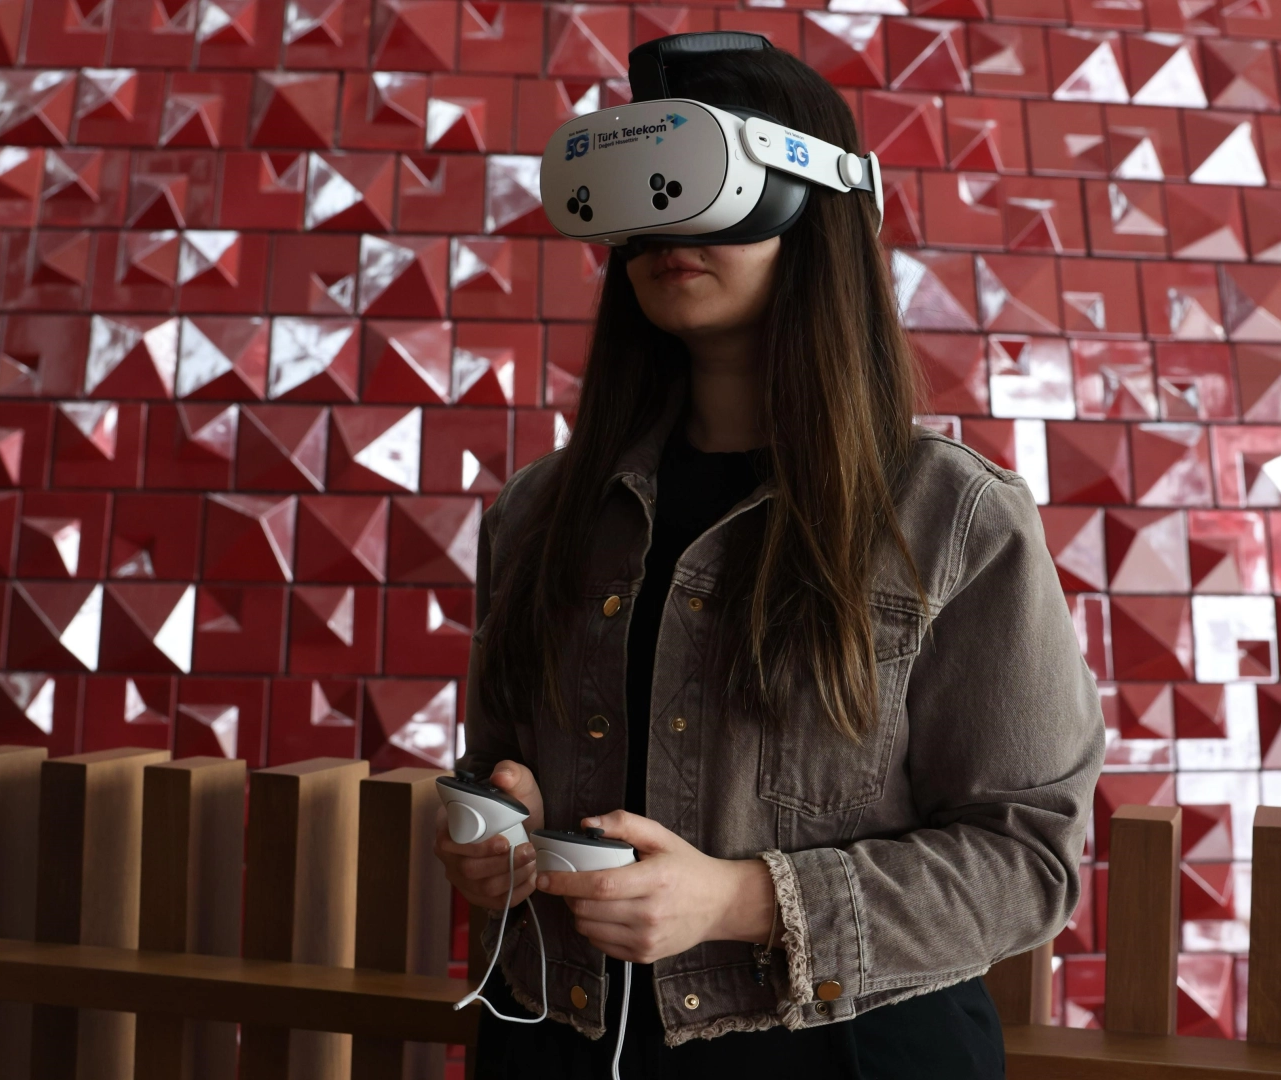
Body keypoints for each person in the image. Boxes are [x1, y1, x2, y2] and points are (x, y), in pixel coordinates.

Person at [434, 36, 1105, 1079]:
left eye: (705, 186)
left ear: (816, 202)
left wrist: (740, 900)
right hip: (557, 1044)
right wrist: (497, 823)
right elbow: (500, 760)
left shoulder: (952, 518)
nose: (669, 229)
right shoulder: (538, 514)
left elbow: (1028, 861)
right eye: (644, 196)